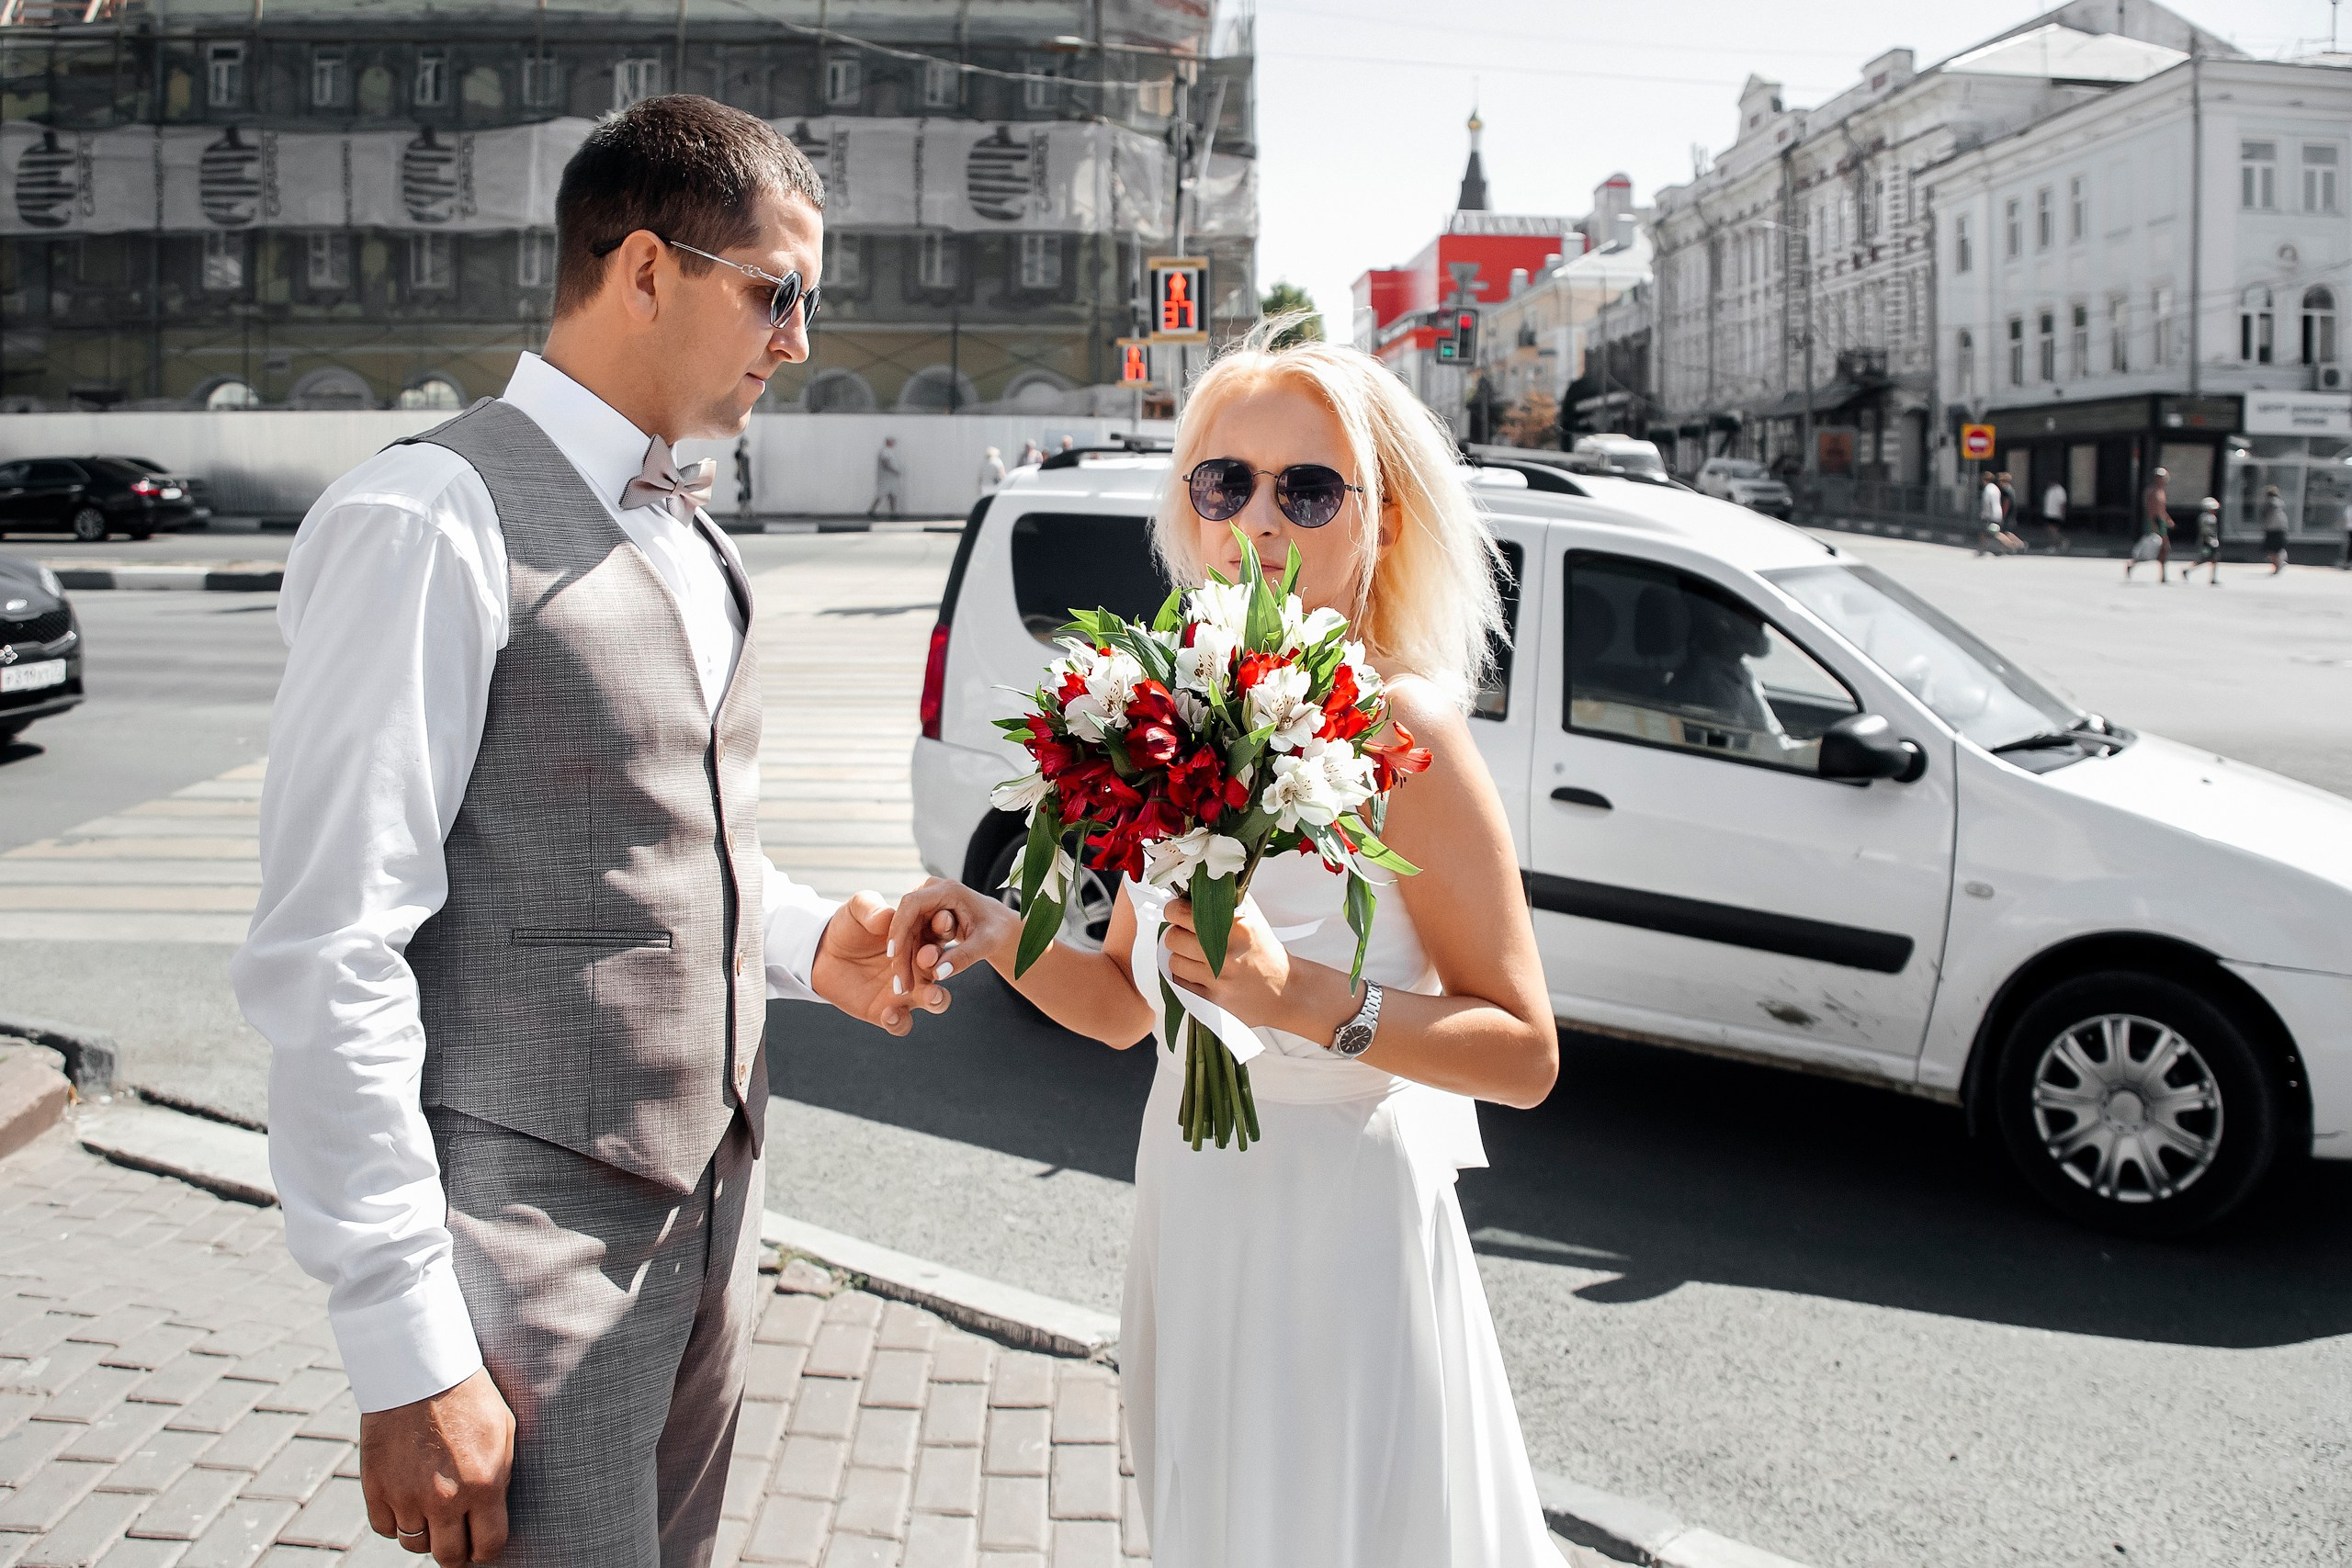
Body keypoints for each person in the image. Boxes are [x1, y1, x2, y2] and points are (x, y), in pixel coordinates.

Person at [230, 96, 958, 1568]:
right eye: (778, 292)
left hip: (715, 1213)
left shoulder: (692, 533)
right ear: (643, 270)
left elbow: (660, 839)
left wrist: (816, 940)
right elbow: (331, 947)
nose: (798, 340)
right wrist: (404, 1343)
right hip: (531, 1249)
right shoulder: (429, 515)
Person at [887, 324, 1562, 1567]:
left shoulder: (1402, 724)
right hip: (1194, 1202)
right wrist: (995, 930)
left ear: (1380, 521)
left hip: (1345, 1227)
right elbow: (1124, 1005)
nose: (1257, 518)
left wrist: (1300, 996)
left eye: (1305, 489)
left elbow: (1523, 1053)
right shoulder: (1179, 717)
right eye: (1224, 481)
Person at [2129, 467, 2172, 582]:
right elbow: (2151, 510)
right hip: (2154, 522)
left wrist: (2167, 519)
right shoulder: (2151, 492)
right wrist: (2154, 524)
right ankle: (2133, 564)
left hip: (2161, 522)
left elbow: (2162, 509)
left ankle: (2163, 575)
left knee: (2164, 548)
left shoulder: (2161, 491)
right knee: (2155, 547)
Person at [2190, 496, 2222, 584]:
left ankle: (2213, 578)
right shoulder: (2208, 518)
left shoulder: (2206, 517)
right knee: (2206, 559)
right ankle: (2188, 570)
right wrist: (2211, 541)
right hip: (2207, 542)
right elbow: (2206, 531)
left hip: (2209, 541)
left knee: (2214, 558)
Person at [2260, 483, 2290, 574]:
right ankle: (2281, 560)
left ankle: (2278, 564)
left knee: (2271, 549)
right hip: (2281, 528)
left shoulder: (2268, 504)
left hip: (2271, 528)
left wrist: (2263, 525)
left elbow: (2265, 516)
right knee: (2277, 548)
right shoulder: (2280, 504)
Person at [868, 434, 901, 518]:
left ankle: (893, 513)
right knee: (881, 494)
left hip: (891, 478)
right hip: (885, 478)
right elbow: (885, 464)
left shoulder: (891, 452)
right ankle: (871, 511)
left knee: (892, 495)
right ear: (888, 442)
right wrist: (894, 471)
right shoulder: (885, 452)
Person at [2040, 475, 2067, 553]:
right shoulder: (2049, 490)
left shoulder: (2060, 490)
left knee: (2053, 531)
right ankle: (2061, 542)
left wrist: (2062, 514)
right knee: (2050, 531)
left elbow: (2062, 503)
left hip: (2056, 514)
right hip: (2049, 513)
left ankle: (2055, 545)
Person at [733, 434, 753, 527]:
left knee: (747, 494)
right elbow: (739, 466)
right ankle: (743, 512)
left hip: (746, 476)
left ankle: (746, 511)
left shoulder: (745, 454)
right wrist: (741, 477)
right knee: (742, 494)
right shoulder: (739, 454)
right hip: (742, 477)